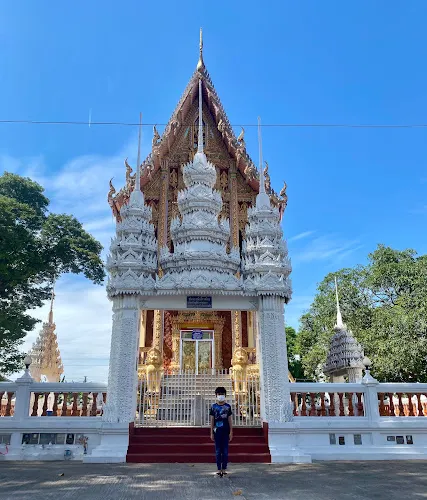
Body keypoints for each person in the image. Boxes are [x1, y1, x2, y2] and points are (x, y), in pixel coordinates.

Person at [210, 386, 233, 477]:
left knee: (225, 451)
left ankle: (224, 468)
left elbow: (229, 420)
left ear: (225, 395)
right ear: (216, 395)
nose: (220, 396)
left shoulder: (228, 407)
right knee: (218, 451)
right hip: (217, 431)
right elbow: (212, 420)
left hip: (225, 431)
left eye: (222, 394)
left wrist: (231, 431)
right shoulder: (213, 407)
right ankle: (218, 469)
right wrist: (211, 432)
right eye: (219, 394)